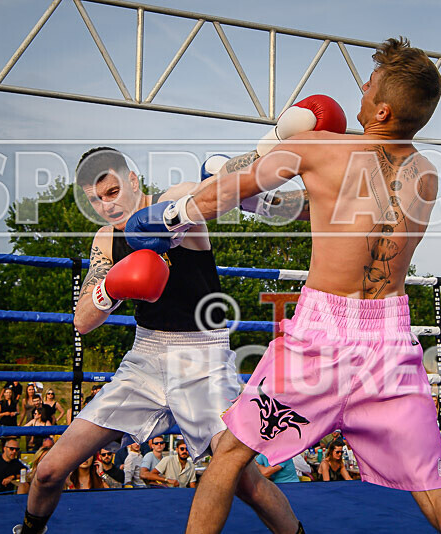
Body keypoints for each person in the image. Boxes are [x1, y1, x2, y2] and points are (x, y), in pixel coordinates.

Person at [165, 37, 441, 533]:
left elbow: (220, 193)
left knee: (228, 457)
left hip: (321, 335)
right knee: (438, 493)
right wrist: (279, 182)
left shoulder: (317, 148)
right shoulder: (426, 174)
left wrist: (167, 215)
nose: (361, 90)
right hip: (390, 343)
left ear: (382, 109)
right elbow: (342, 209)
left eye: (369, 85)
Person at [15, 148, 299, 534]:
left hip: (203, 358)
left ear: (133, 180)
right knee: (49, 471)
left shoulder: (174, 198)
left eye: (112, 191)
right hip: (144, 359)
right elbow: (82, 321)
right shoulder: (106, 239)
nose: (106, 205)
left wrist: (264, 151)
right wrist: (111, 287)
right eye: (95, 199)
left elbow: (220, 192)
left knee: (245, 480)